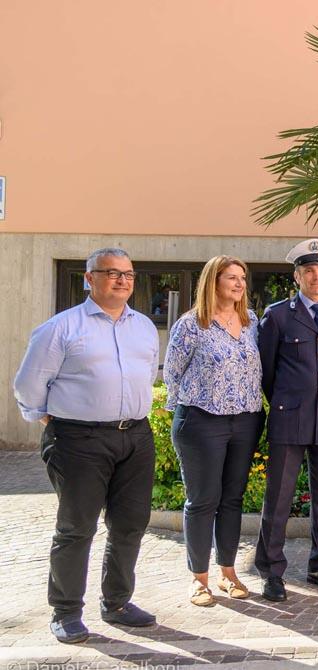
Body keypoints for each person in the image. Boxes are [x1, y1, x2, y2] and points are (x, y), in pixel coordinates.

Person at [14, 248, 159, 643]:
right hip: (78, 439)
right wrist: (46, 416)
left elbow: (146, 373)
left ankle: (117, 603)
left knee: (130, 525)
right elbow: (28, 385)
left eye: (128, 274)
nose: (122, 280)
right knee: (77, 528)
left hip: (135, 435)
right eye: (111, 273)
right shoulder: (60, 328)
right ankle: (65, 611)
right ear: (88, 278)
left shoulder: (143, 326)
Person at [254, 238, 318, 602]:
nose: (316, 276)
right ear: (297, 276)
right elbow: (265, 372)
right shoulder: (278, 314)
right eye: (309, 270)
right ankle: (271, 570)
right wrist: (286, 403)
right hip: (289, 420)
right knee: (278, 498)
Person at [163, 256, 264, 606]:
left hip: (246, 420)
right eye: (231, 278)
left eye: (242, 279)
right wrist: (186, 413)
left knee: (232, 499)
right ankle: (198, 578)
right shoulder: (192, 324)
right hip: (202, 421)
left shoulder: (251, 322)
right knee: (203, 500)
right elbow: (172, 374)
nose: (238, 284)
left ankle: (228, 572)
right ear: (213, 281)